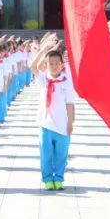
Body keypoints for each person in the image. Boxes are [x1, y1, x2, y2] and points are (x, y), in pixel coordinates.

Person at [31, 37, 77, 190]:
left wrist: (71, 123)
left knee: (61, 154)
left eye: (57, 63)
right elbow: (33, 66)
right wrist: (44, 49)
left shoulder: (66, 81)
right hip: (45, 124)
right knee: (46, 154)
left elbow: (70, 104)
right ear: (47, 64)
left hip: (62, 124)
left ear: (62, 64)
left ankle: (58, 177)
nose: (54, 66)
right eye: (51, 63)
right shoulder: (44, 79)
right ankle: (47, 179)